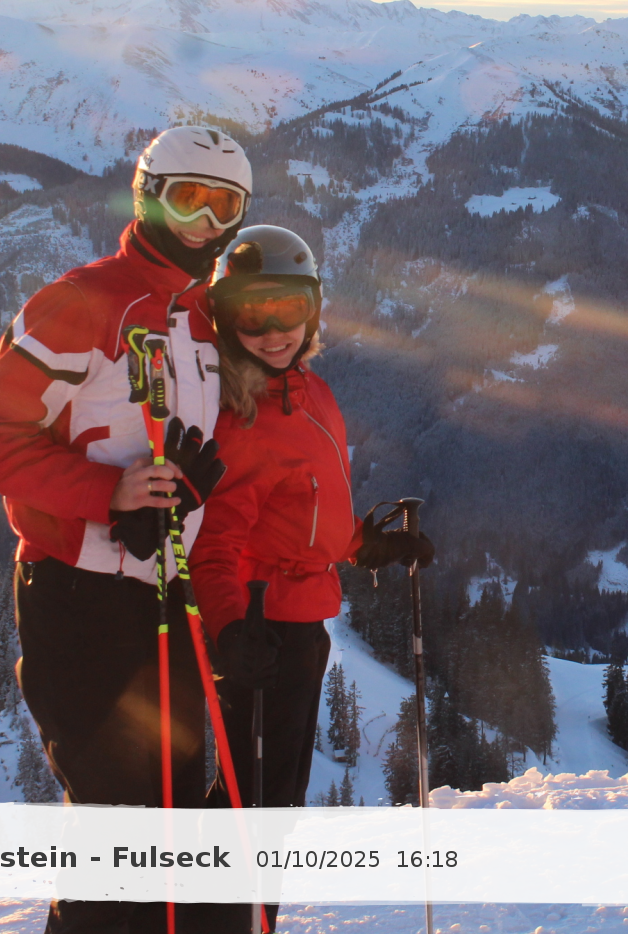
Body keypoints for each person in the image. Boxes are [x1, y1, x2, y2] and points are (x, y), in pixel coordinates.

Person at [0, 125, 251, 934]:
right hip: (80, 598)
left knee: (171, 814)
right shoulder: (82, 303)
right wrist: (107, 494)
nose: (205, 224)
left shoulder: (203, 322)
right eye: (188, 199)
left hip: (166, 592)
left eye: (224, 207)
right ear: (146, 197)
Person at [185, 225, 431, 933]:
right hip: (262, 630)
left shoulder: (312, 393)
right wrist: (231, 631)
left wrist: (367, 545)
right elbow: (216, 546)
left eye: (287, 310)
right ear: (225, 319)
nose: (272, 332)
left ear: (313, 310)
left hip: (300, 625)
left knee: (274, 803)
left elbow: (307, 509)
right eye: (251, 315)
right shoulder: (241, 417)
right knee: (253, 807)